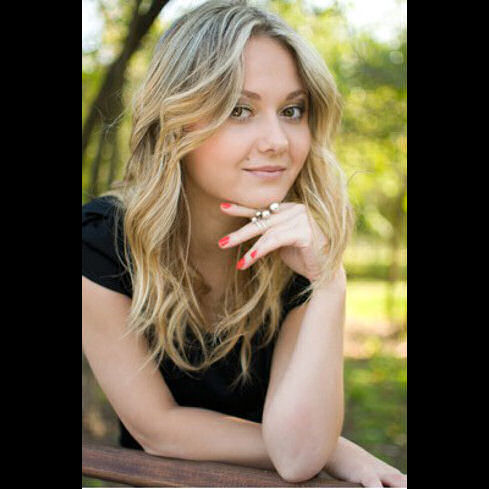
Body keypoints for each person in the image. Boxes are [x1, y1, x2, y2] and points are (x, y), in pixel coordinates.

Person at [82, 1, 407, 486]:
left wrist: (329, 282)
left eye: (292, 111)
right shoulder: (103, 243)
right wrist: (337, 450)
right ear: (176, 119)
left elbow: (297, 458)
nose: (277, 141)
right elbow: (159, 429)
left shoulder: (302, 252)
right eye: (240, 110)